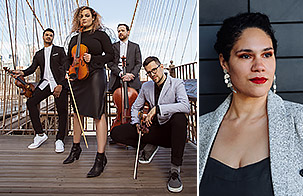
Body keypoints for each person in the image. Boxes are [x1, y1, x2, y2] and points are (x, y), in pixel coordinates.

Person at [199, 13, 303, 196]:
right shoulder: (202, 128)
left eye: (267, 54)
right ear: (224, 62)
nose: (259, 66)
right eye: (246, 56)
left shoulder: (299, 121)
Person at [111, 56, 190, 193]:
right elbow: (135, 107)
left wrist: (158, 108)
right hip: (154, 128)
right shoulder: (146, 86)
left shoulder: (177, 83)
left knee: (180, 119)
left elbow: (185, 106)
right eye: (149, 72)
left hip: (172, 133)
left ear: (161, 67)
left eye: (154, 70)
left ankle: (175, 170)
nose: (153, 75)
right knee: (116, 133)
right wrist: (136, 123)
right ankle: (149, 145)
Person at [63, 6, 114, 179]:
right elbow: (67, 58)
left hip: (95, 74)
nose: (83, 18)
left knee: (98, 114)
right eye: (80, 16)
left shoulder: (101, 35)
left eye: (86, 15)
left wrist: (93, 58)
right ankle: (75, 148)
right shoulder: (74, 38)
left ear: (93, 17)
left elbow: (111, 55)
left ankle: (101, 157)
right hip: (77, 77)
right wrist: (66, 70)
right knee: (77, 113)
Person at [13, 28, 68, 153]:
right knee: (31, 103)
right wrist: (21, 72)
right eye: (47, 35)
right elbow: (32, 68)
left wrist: (61, 85)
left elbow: (65, 67)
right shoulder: (38, 54)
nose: (48, 37)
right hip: (45, 83)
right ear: (43, 37)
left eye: (51, 35)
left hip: (58, 84)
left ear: (53, 37)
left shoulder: (59, 51)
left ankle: (60, 140)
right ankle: (40, 134)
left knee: (62, 111)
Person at [108, 23, 142, 93]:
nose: (120, 32)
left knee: (134, 102)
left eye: (122, 30)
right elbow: (110, 63)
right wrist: (120, 73)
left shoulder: (135, 46)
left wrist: (131, 75)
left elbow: (138, 63)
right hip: (117, 78)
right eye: (119, 31)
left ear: (128, 32)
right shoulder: (113, 46)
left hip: (132, 79)